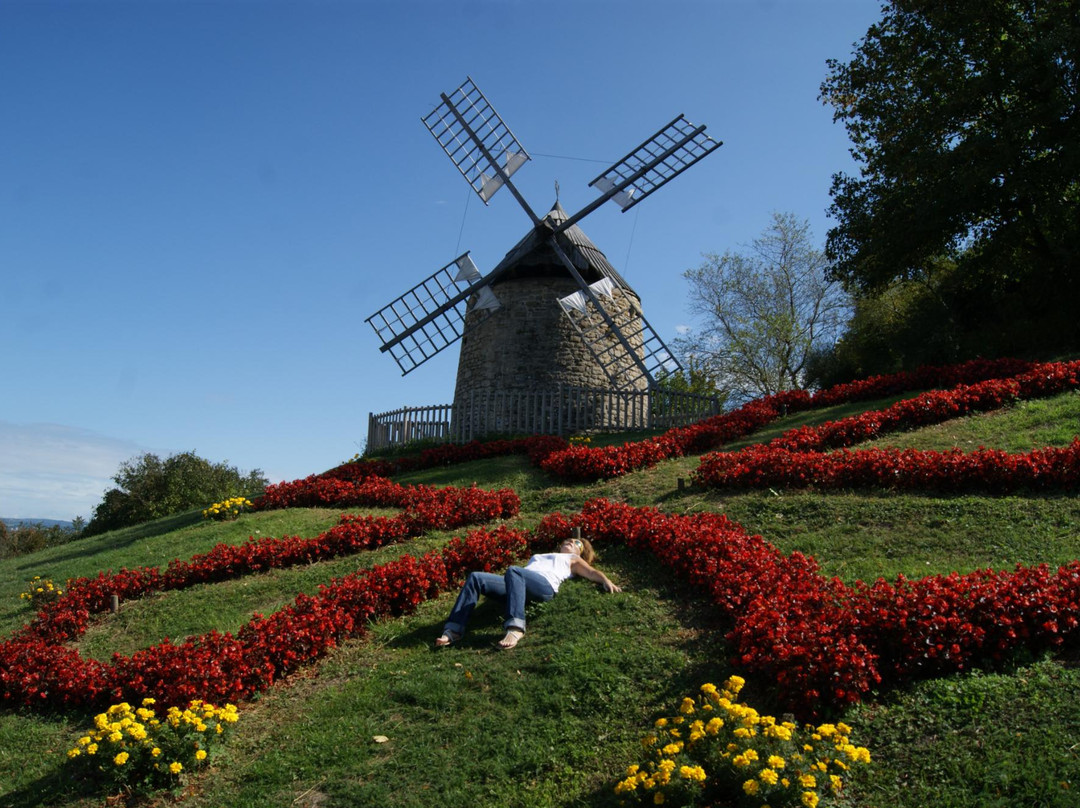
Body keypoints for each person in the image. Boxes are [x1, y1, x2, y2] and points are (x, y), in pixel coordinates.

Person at [435, 536, 621, 650]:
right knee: (476, 577)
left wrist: (606, 581)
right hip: (517, 582)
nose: (570, 542)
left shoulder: (572, 559)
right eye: (569, 540)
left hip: (544, 586)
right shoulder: (542, 555)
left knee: (514, 570)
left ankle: (515, 627)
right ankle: (454, 629)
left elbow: (591, 572)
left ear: (580, 553)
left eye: (576, 543)